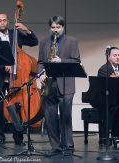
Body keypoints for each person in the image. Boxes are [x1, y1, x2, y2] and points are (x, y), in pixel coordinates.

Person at [0, 13, 38, 146]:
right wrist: (4, 65)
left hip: (17, 77)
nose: (2, 23)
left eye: (4, 20)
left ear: (8, 21)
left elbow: (34, 42)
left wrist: (26, 29)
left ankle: (18, 136)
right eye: (0, 21)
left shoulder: (16, 33)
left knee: (18, 107)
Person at [37, 16, 81, 153]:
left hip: (65, 83)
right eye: (53, 27)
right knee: (50, 117)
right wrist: (40, 73)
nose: (55, 30)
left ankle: (68, 145)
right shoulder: (44, 42)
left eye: (58, 27)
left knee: (65, 116)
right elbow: (40, 62)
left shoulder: (72, 41)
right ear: (50, 28)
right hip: (49, 83)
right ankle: (55, 146)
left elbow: (76, 61)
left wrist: (61, 60)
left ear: (63, 27)